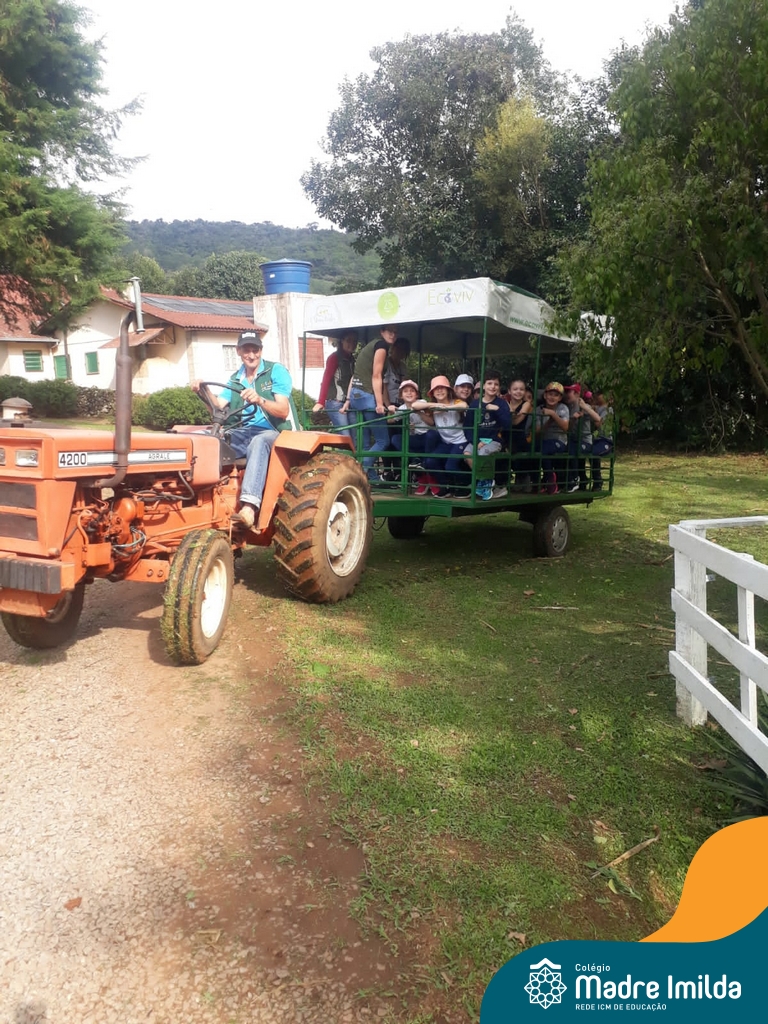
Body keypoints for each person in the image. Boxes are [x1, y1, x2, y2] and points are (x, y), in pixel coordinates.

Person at [192, 329, 292, 529]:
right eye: (246, 350)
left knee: (259, 441)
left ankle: (249, 507)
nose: (251, 355)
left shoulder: (275, 371)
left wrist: (260, 400)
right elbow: (218, 407)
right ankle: (198, 496)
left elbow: (283, 410)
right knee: (205, 440)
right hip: (244, 431)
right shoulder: (236, 379)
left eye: (255, 350)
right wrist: (204, 390)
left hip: (275, 432)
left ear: (261, 351)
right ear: (238, 351)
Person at [341, 325, 397, 480]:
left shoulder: (370, 345)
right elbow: (376, 376)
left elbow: (357, 376)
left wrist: (348, 400)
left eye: (395, 332)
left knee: (365, 443)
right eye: (390, 331)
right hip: (367, 396)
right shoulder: (381, 346)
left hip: (356, 396)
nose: (393, 334)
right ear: (382, 332)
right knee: (383, 440)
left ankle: (371, 479)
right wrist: (379, 404)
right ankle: (360, 469)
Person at [412, 376, 468, 497]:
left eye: (443, 388)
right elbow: (415, 405)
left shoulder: (455, 402)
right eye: (436, 389)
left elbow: (464, 405)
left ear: (448, 390)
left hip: (460, 441)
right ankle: (445, 485)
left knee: (450, 466)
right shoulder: (432, 407)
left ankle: (467, 485)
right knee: (430, 461)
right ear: (432, 393)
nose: (440, 391)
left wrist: (446, 408)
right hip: (446, 442)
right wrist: (435, 406)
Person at [463, 371, 511, 500]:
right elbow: (467, 426)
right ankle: (485, 482)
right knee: (467, 454)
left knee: (483, 453)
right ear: (483, 386)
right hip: (478, 440)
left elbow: (507, 424)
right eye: (489, 383)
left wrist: (497, 410)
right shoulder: (475, 404)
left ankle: (485, 483)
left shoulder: (501, 404)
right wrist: (475, 441)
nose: (493, 386)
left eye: (496, 384)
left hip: (494, 440)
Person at [312, 331, 358, 440]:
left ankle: (353, 452)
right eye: (348, 341)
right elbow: (326, 380)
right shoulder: (334, 358)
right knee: (345, 436)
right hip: (335, 402)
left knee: (356, 435)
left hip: (348, 402)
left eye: (354, 341)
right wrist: (320, 402)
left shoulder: (352, 359)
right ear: (341, 341)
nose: (352, 344)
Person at [388, 379, 435, 471]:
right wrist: (390, 410)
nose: (409, 393)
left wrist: (419, 412)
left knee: (432, 435)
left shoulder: (422, 403)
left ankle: (425, 462)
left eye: (412, 391)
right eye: (405, 391)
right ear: (401, 396)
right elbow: (390, 420)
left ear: (416, 394)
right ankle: (415, 459)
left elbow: (431, 422)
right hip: (415, 437)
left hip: (427, 436)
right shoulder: (402, 408)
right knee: (395, 439)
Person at [534, 381, 569, 494]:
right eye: (550, 394)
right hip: (544, 440)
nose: (552, 397)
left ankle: (549, 478)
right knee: (534, 449)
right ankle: (538, 481)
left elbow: (565, 427)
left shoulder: (563, 408)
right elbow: (537, 432)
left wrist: (553, 414)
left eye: (556, 395)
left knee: (544, 450)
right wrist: (549, 421)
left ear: (560, 398)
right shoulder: (539, 409)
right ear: (545, 395)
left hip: (559, 441)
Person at [507, 378, 534, 491]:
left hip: (519, 437)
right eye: (515, 389)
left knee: (519, 454)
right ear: (509, 391)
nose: (518, 391)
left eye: (521, 389)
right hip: (506, 435)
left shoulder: (526, 404)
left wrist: (508, 415)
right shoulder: (505, 403)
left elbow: (516, 422)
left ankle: (524, 480)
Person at [590, 390, 614, 490]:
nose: (598, 396)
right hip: (595, 439)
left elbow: (599, 424)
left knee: (594, 453)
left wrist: (592, 411)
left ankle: (598, 481)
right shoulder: (595, 407)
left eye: (601, 394)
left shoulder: (609, 410)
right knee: (587, 452)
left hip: (605, 440)